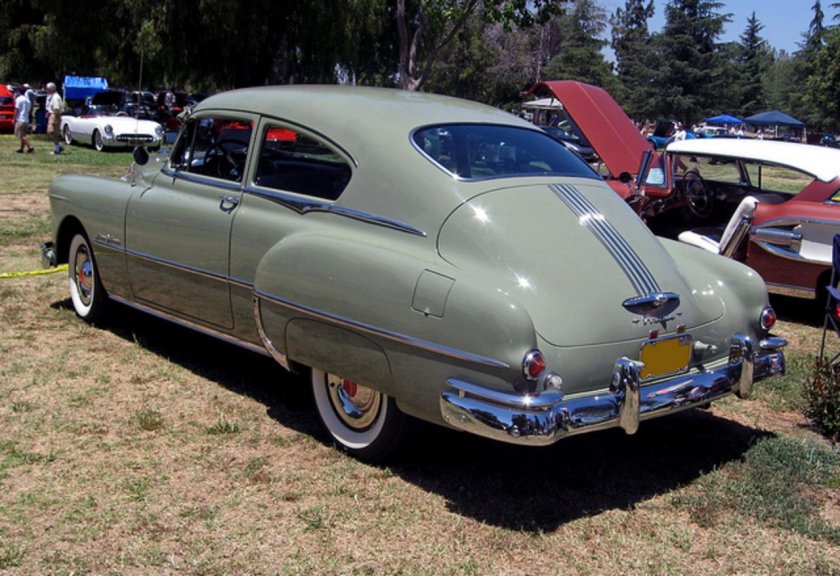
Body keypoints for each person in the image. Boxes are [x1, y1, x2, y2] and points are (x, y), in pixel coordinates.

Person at [13, 86, 34, 153]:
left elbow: (16, 109)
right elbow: (30, 110)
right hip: (26, 119)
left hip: (20, 119)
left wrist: (14, 118)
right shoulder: (27, 100)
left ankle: (30, 147)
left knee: (22, 135)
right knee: (24, 134)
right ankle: (21, 149)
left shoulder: (18, 99)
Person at [45, 82, 64, 155]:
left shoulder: (55, 97)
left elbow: (56, 109)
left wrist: (54, 118)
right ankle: (58, 147)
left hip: (55, 115)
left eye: (48, 89)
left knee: (51, 132)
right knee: (53, 133)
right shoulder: (53, 96)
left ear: (52, 89)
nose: (47, 90)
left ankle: (57, 148)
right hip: (53, 114)